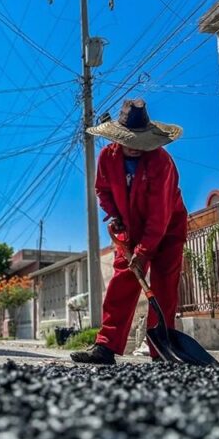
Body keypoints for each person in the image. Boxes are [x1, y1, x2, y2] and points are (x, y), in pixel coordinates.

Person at [71, 99, 187, 365]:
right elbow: (103, 190)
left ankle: (162, 350)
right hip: (129, 228)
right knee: (121, 284)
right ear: (118, 137)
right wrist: (115, 215)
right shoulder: (107, 158)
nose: (134, 147)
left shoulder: (161, 163)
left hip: (167, 230)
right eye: (129, 140)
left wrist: (144, 251)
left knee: (164, 289)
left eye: (139, 141)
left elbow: (160, 215)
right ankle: (105, 347)